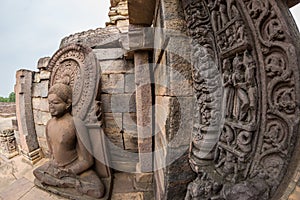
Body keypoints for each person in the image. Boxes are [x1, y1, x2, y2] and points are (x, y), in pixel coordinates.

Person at [33, 83, 104, 199]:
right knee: (37, 172)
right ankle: (66, 183)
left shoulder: (76, 123)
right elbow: (52, 153)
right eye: (49, 103)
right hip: (55, 167)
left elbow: (88, 160)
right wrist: (53, 164)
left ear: (68, 104)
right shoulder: (49, 124)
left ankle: (62, 181)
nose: (51, 106)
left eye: (56, 103)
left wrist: (69, 171)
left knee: (99, 190)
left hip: (74, 166)